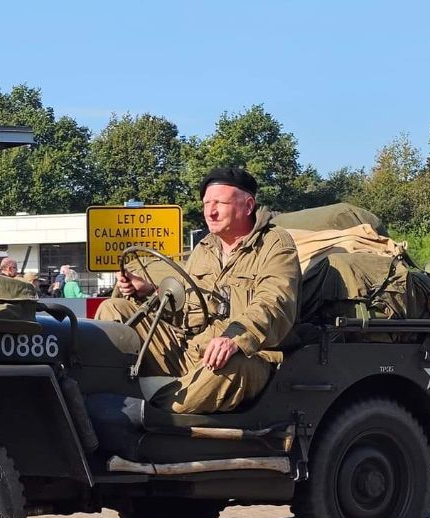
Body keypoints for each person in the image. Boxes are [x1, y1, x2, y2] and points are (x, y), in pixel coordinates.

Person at [96, 165, 300, 413]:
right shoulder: (205, 248)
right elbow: (189, 309)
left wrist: (232, 338)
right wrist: (149, 291)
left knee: (210, 381)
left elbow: (274, 302)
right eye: (206, 204)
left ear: (248, 206)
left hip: (247, 356)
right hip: (192, 349)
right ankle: (116, 397)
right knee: (114, 309)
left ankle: (151, 408)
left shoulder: (275, 243)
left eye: (220, 203)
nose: (210, 212)